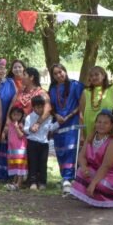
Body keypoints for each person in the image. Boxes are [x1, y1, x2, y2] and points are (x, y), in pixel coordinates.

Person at [69, 110, 113, 208]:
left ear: (112, 125)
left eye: (105, 123)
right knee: (80, 172)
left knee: (101, 184)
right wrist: (84, 167)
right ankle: (93, 196)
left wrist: (93, 183)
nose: (101, 125)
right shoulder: (91, 137)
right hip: (100, 172)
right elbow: (81, 156)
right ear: (95, 123)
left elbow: (106, 166)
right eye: (99, 122)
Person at [48, 63, 84, 193]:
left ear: (65, 71)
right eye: (55, 73)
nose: (59, 75)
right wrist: (56, 115)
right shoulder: (52, 89)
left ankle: (70, 178)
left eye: (60, 72)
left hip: (72, 123)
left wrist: (69, 115)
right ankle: (64, 177)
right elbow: (50, 107)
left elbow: (82, 104)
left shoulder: (76, 85)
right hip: (58, 124)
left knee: (71, 151)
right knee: (60, 151)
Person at [0, 59, 18, 182]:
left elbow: (15, 100)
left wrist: (8, 121)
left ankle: (3, 175)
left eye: (4, 68)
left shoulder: (10, 83)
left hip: (7, 118)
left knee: (4, 145)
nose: (2, 70)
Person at [23, 95, 59, 190]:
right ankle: (33, 182)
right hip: (32, 143)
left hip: (44, 143)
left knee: (43, 163)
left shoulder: (48, 117)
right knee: (33, 162)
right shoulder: (29, 117)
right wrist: (30, 129)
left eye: (41, 107)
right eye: (37, 107)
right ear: (33, 107)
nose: (39, 109)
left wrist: (58, 123)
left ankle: (42, 182)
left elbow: (50, 128)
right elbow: (25, 129)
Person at [79, 66, 113, 139]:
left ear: (103, 76)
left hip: (109, 128)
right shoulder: (85, 92)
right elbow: (81, 114)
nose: (94, 77)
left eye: (96, 74)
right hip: (89, 129)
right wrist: (81, 134)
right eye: (91, 76)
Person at [5, 107, 27, 191]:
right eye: (14, 114)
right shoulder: (10, 124)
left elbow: (21, 135)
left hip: (20, 149)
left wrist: (17, 127)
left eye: (18, 115)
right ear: (10, 115)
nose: (16, 117)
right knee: (14, 164)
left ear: (22, 116)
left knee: (20, 165)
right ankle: (14, 182)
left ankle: (19, 183)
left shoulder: (21, 125)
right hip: (12, 149)